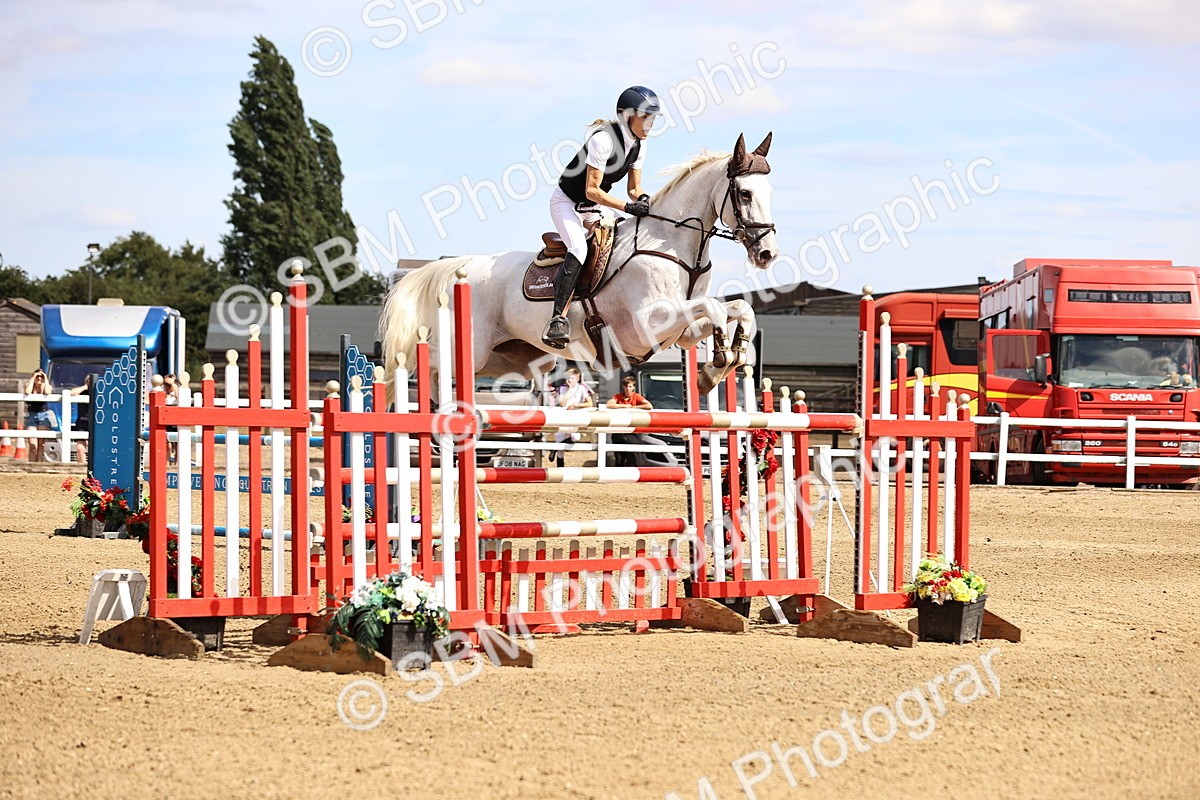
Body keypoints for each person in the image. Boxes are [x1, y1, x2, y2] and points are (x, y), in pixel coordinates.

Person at [542, 86, 661, 349]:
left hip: (593, 207)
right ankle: (557, 320)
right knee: (579, 248)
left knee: (623, 239)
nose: (650, 124)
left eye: (653, 118)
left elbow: (633, 189)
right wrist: (626, 207)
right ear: (626, 116)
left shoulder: (639, 146)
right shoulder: (602, 140)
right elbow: (591, 189)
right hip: (568, 203)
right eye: (646, 117)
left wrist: (646, 202)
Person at [549, 368, 595, 465]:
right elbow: (562, 403)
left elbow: (590, 403)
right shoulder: (563, 388)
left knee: (576, 437)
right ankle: (560, 470)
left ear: (577, 378)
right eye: (568, 378)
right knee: (560, 448)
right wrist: (569, 390)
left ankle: (555, 448)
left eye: (572, 378)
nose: (569, 380)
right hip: (563, 416)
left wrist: (576, 405)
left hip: (574, 417)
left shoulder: (581, 388)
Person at [23, 370, 56, 462]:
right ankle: (31, 464)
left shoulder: (46, 386)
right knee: (32, 445)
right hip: (32, 415)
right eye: (37, 376)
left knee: (41, 444)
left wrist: (45, 379)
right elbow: (27, 391)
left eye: (41, 376)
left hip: (43, 414)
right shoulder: (29, 385)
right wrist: (33, 378)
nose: (39, 378)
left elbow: (48, 392)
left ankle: (39, 465)